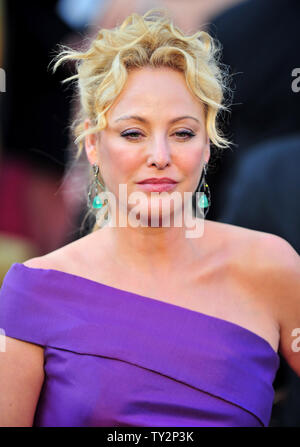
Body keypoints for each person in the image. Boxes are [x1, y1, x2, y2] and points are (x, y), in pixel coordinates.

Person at [0, 8, 299, 427]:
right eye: (133, 133)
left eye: (182, 133)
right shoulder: (34, 290)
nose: (160, 157)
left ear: (208, 145)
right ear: (92, 144)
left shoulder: (273, 267)